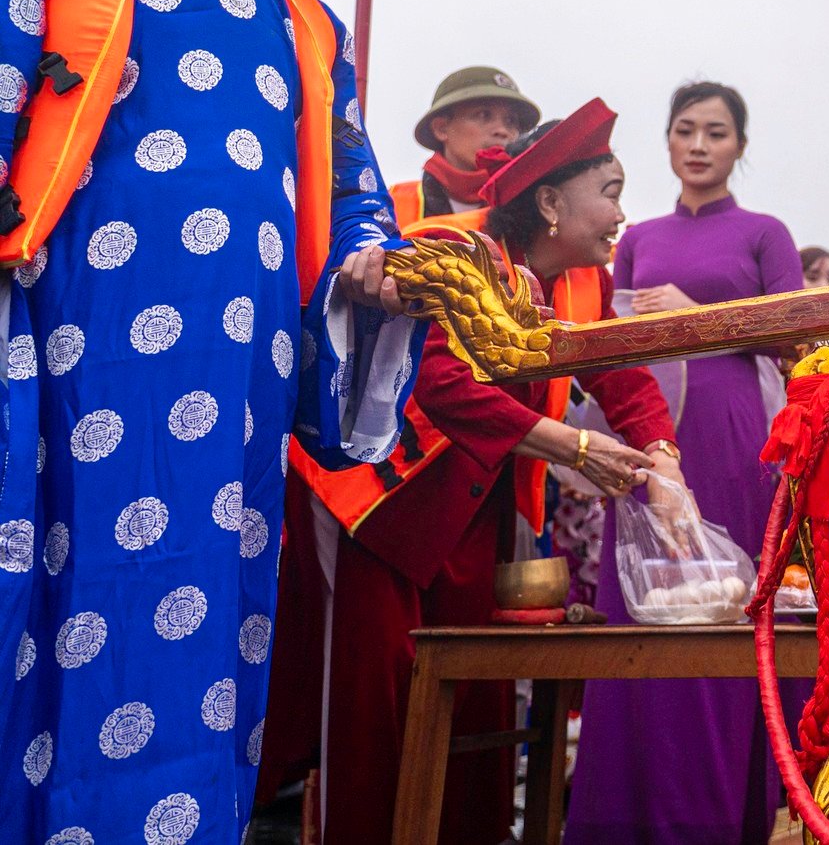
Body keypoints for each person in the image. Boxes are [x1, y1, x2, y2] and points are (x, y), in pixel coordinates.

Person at [0, 0, 418, 845]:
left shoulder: (302, 23)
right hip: (61, 387)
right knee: (43, 631)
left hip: (228, 413)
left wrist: (380, 276)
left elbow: (353, 202)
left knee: (203, 647)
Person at [268, 99, 679, 844]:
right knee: (376, 708)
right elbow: (441, 383)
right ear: (550, 201)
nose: (623, 214)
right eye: (611, 192)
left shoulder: (582, 282)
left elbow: (625, 376)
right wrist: (575, 447)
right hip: (379, 503)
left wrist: (665, 463)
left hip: (472, 511)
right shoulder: (452, 251)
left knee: (478, 701)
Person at [564, 81, 805, 844]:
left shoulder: (766, 232)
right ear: (667, 142)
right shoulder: (635, 237)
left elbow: (795, 333)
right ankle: (628, 810)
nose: (699, 146)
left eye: (717, 133)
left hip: (733, 435)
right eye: (685, 131)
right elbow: (615, 332)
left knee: (725, 601)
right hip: (650, 432)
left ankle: (721, 809)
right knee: (643, 592)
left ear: (739, 146)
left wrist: (698, 320)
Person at [388, 66, 540, 222]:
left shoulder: (535, 210)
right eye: (483, 115)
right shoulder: (391, 205)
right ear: (441, 128)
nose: (502, 131)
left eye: (511, 121)